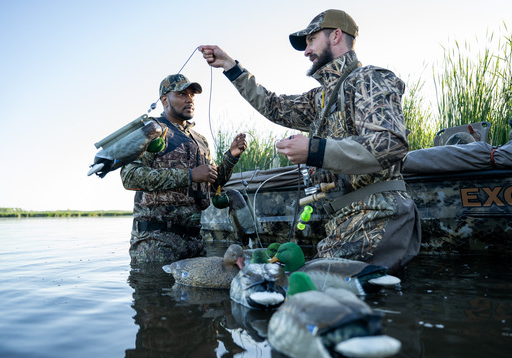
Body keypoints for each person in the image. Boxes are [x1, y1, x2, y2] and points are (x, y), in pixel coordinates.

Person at [199, 9, 420, 273]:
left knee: (312, 288)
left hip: (379, 213)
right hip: (348, 217)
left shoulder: (369, 79)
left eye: (311, 40)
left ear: (336, 36)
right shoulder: (321, 98)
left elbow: (390, 143)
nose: (306, 51)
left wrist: (313, 150)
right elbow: (274, 106)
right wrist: (230, 67)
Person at [120, 74, 247, 265]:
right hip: (156, 243)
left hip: (194, 242)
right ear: (165, 100)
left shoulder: (200, 140)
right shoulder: (151, 130)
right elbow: (129, 177)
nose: (189, 99)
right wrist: (190, 175)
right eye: (181, 94)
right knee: (154, 293)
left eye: (192, 95)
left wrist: (232, 156)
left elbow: (213, 184)